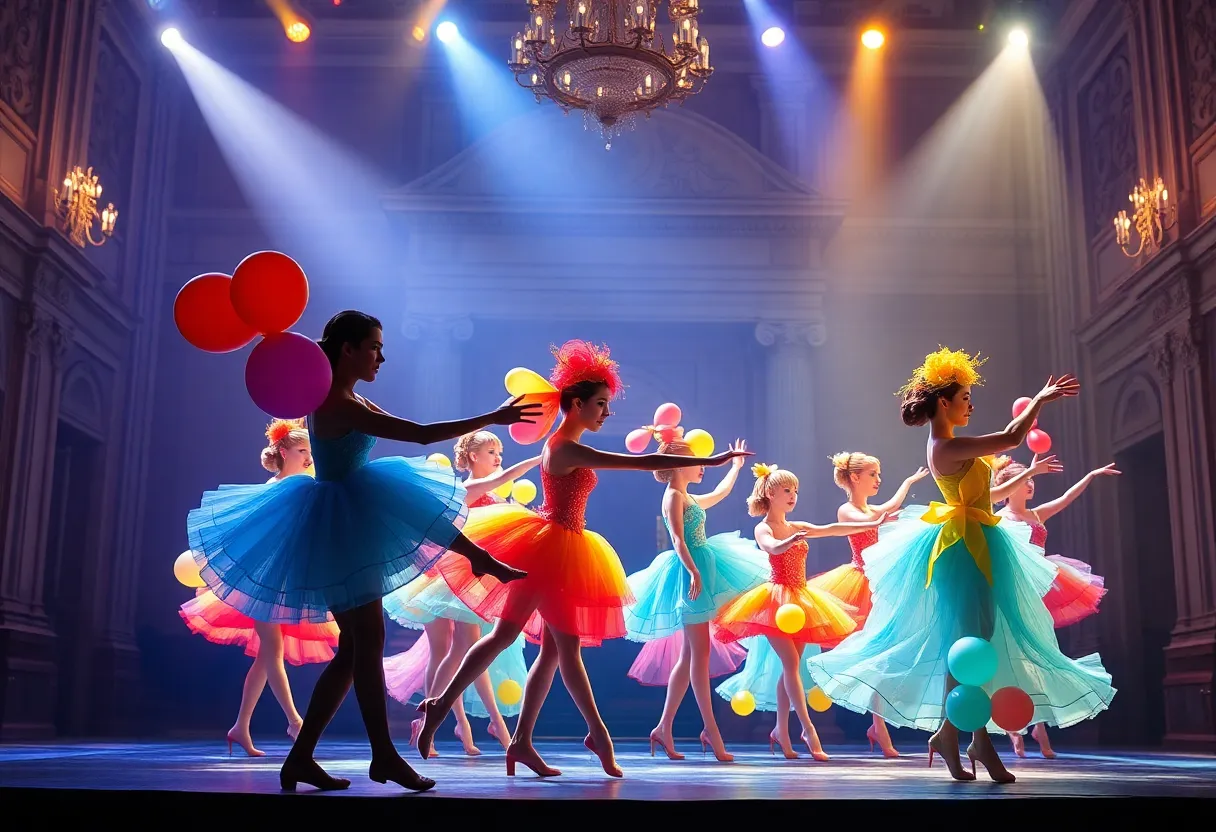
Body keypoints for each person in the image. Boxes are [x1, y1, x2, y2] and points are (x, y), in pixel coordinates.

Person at [188, 310, 540, 792]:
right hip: (339, 523)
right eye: (374, 345)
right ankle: (380, 758)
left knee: (356, 649)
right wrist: (493, 417)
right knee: (364, 643)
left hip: (344, 517)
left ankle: (309, 759)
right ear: (348, 348)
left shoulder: (351, 397)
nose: (381, 355)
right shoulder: (335, 400)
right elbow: (419, 434)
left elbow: (411, 434)